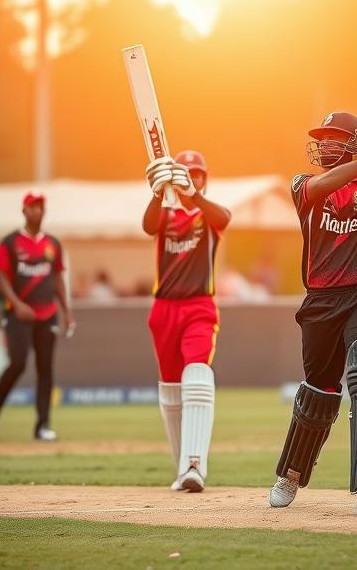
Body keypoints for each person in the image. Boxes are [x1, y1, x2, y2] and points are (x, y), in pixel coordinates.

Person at [269, 111, 357, 515]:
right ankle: (292, 472)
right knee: (320, 392)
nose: (325, 144)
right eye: (323, 138)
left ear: (356, 141)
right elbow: (319, 188)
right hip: (319, 302)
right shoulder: (303, 184)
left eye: (335, 138)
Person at [142, 150, 231, 492]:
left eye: (197, 174)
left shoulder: (207, 216)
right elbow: (149, 225)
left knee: (196, 373)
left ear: (204, 180)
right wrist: (157, 191)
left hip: (198, 306)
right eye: (186, 173)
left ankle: (195, 464)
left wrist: (193, 196)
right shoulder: (165, 215)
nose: (192, 178)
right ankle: (183, 470)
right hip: (163, 309)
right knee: (170, 388)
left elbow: (224, 218)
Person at [0, 192, 75, 442]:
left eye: (40, 207)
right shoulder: (10, 242)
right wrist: (17, 304)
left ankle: (42, 425)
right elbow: (0, 277)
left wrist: (67, 311)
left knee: (45, 368)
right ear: (23, 211)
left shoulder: (52, 243)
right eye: (32, 207)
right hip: (18, 314)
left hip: (47, 314)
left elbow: (57, 279)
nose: (37, 212)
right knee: (18, 363)